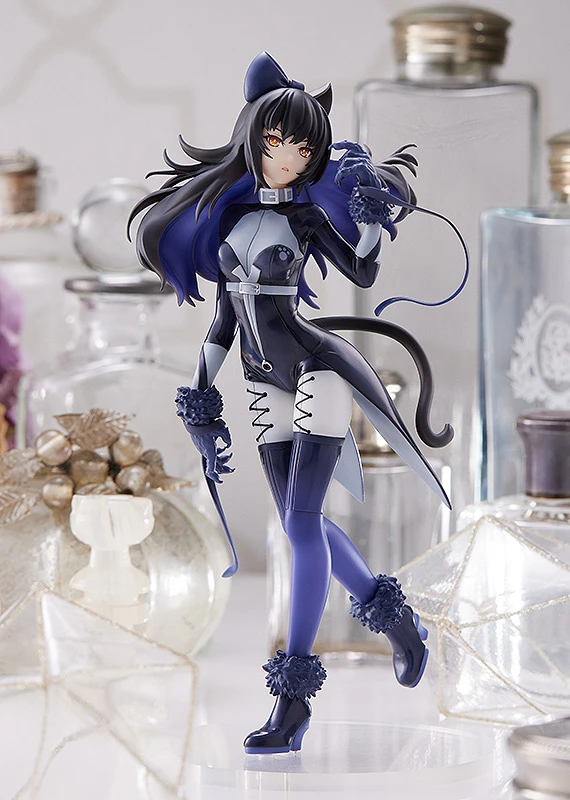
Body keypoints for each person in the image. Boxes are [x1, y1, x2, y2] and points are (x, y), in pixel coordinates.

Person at [130, 52, 460, 755]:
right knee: (294, 523)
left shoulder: (307, 218)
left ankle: (293, 699)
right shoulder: (231, 218)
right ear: (253, 138)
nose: (286, 158)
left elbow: (362, 269)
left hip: (317, 371)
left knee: (302, 526)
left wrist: (368, 219)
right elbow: (224, 322)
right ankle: (398, 622)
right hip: (259, 382)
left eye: (302, 149)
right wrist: (200, 391)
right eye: (276, 142)